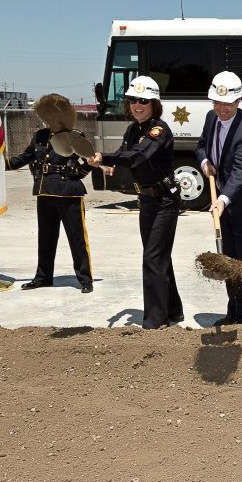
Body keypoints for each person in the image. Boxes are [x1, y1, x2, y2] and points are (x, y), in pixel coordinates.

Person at [87, 77, 184, 327]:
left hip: (164, 203)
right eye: (132, 100)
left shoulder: (158, 130)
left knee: (153, 258)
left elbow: (139, 156)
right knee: (159, 257)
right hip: (147, 201)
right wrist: (104, 163)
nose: (137, 105)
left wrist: (106, 156)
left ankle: (155, 321)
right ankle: (173, 311)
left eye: (144, 101)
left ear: (154, 103)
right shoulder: (133, 129)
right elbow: (123, 155)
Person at [195, 71, 242, 326]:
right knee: (228, 262)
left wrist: (223, 200)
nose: (222, 108)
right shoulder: (210, 118)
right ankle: (233, 313)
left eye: (227, 103)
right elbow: (201, 145)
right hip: (224, 206)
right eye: (217, 102)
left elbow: (241, 172)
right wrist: (205, 163)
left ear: (238, 102)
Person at [9, 94, 94, 293]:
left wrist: (77, 175)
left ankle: (85, 279)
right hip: (45, 192)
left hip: (69, 194)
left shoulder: (75, 136)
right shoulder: (39, 136)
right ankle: (43, 277)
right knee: (45, 238)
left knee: (77, 238)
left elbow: (89, 162)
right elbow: (25, 157)